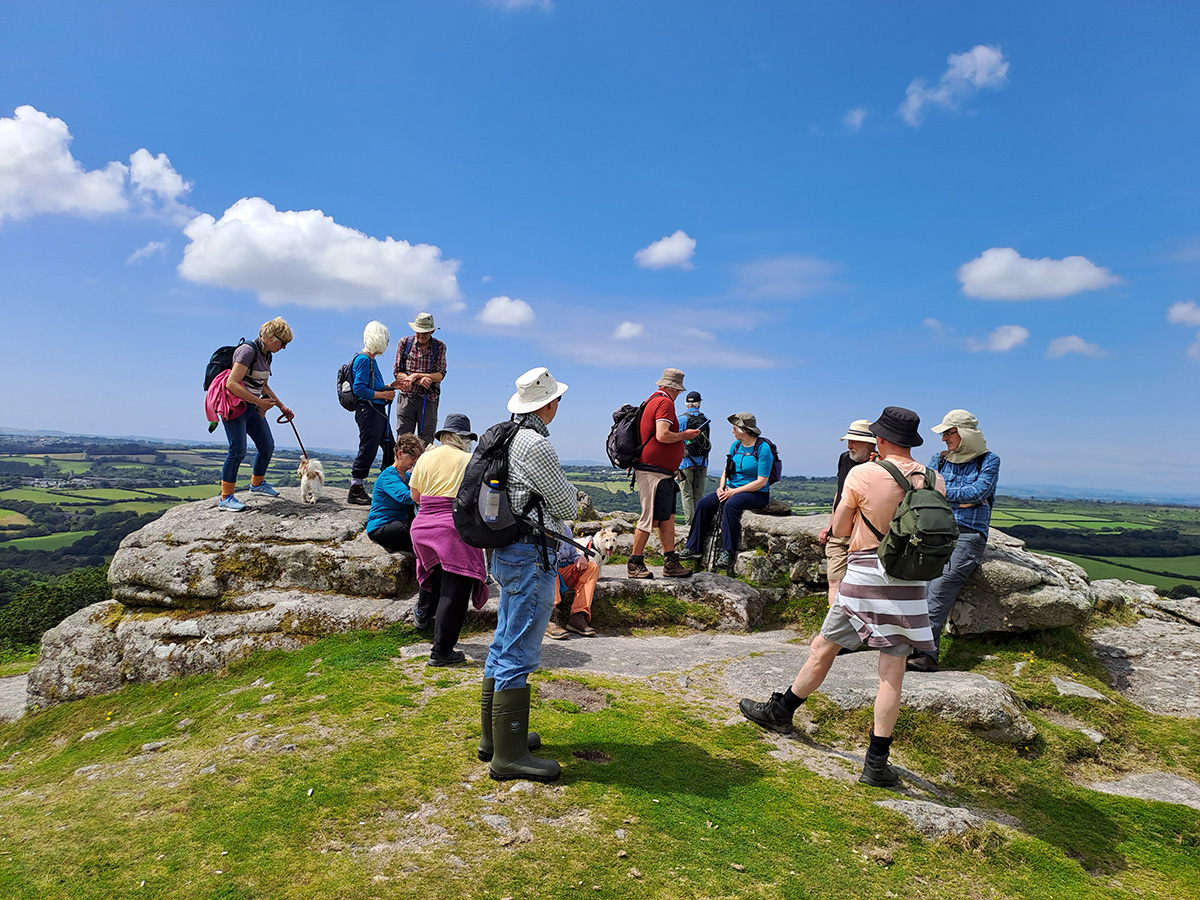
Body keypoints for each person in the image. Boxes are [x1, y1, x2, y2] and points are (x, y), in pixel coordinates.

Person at [738, 407, 945, 788]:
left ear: (879, 440)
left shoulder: (863, 474)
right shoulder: (935, 479)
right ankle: (876, 764)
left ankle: (781, 713)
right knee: (892, 674)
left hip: (865, 575)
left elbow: (841, 528)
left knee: (823, 647)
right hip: (911, 583)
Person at [481, 366, 577, 783]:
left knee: (503, 642)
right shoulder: (536, 444)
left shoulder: (503, 434)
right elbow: (567, 506)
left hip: (504, 550)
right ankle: (510, 756)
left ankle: (495, 740)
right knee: (518, 652)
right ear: (549, 403)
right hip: (529, 555)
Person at [907, 410, 1001, 674]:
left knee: (939, 588)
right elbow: (926, 488)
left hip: (969, 534)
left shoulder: (988, 460)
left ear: (965, 434)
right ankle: (912, 648)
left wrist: (943, 490)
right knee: (919, 587)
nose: (944, 439)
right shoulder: (940, 459)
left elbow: (979, 491)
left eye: (949, 433)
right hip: (936, 530)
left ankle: (925, 655)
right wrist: (964, 498)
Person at [408, 414, 486, 667]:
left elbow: (415, 495)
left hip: (422, 527)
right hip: (452, 527)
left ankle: (423, 617)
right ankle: (442, 652)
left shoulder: (426, 457)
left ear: (443, 437)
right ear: (463, 439)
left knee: (435, 578)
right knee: (456, 590)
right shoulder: (469, 460)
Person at [627, 368, 699, 579]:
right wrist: (685, 435)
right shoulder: (665, 403)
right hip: (653, 472)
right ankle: (634, 563)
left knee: (667, 518)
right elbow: (662, 435)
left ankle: (670, 562)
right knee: (648, 518)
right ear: (672, 387)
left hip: (662, 472)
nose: (678, 394)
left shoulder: (652, 400)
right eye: (677, 390)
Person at [217, 317, 294, 512]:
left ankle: (257, 484)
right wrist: (259, 402)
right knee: (237, 450)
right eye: (282, 342)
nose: (284, 347)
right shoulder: (247, 351)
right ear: (270, 337)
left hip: (252, 407)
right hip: (235, 406)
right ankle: (226, 498)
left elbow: (263, 385)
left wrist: (281, 406)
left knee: (267, 445)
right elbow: (231, 383)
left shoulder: (267, 355)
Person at [680, 412, 774, 572]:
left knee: (731, 505)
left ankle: (727, 551)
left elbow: (761, 481)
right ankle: (693, 547)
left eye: (735, 428)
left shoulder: (763, 449)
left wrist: (734, 492)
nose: (732, 431)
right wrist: (722, 487)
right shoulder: (735, 446)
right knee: (703, 504)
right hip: (731, 489)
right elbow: (726, 470)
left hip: (756, 493)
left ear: (744, 430)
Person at [818, 419, 876, 604]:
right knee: (834, 582)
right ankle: (834, 631)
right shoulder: (844, 458)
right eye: (848, 440)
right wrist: (830, 526)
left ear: (870, 443)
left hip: (864, 535)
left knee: (861, 586)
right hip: (839, 534)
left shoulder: (881, 466)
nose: (849, 445)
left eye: (854, 441)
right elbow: (840, 494)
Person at [347, 321, 397, 506]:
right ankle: (356, 489)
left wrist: (390, 388)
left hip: (376, 411)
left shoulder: (371, 360)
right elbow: (358, 389)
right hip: (368, 411)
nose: (388, 342)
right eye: (386, 338)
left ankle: (386, 485)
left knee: (390, 447)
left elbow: (370, 387)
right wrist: (384, 394)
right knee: (368, 448)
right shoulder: (364, 360)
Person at [393, 312, 446, 448]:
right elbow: (397, 373)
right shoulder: (404, 343)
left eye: (425, 333)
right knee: (403, 439)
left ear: (432, 331)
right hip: (406, 397)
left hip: (429, 399)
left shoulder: (439, 346)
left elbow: (440, 375)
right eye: (418, 332)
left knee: (427, 440)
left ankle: (423, 469)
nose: (421, 336)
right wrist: (418, 380)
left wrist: (416, 375)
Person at [365, 433, 425, 554]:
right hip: (381, 526)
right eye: (412, 456)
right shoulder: (388, 477)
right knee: (419, 533)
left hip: (398, 523)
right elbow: (406, 497)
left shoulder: (406, 476)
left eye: (417, 457)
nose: (415, 461)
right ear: (400, 454)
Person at [544, 523, 600, 640]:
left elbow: (573, 554)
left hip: (564, 571)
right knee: (550, 564)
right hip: (546, 572)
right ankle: (549, 618)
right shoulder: (540, 526)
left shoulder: (565, 529)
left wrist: (579, 558)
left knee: (592, 567)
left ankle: (577, 615)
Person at [677, 390, 711, 526]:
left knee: (687, 494)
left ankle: (690, 525)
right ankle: (700, 524)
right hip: (702, 462)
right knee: (699, 496)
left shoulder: (681, 419)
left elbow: (676, 441)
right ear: (699, 404)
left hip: (685, 462)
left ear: (686, 403)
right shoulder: (706, 420)